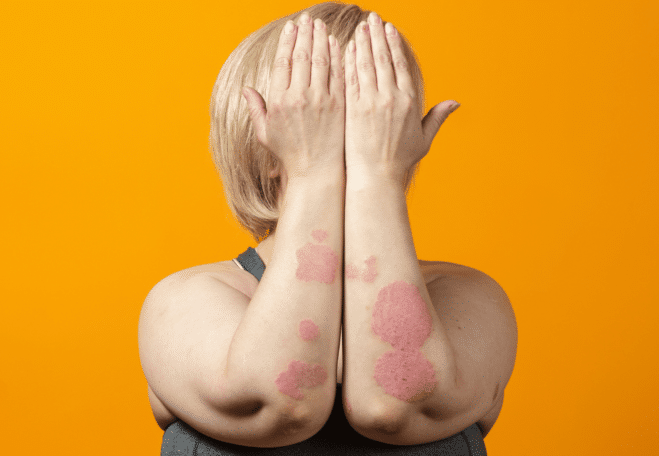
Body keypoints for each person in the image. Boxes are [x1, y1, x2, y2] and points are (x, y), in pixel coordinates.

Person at [138, 3, 518, 454]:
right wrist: (312, 170)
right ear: (261, 141)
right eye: (317, 115)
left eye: (381, 113)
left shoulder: (472, 300)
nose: (363, 133)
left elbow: (395, 408)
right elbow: (281, 404)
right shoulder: (185, 300)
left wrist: (378, 176)